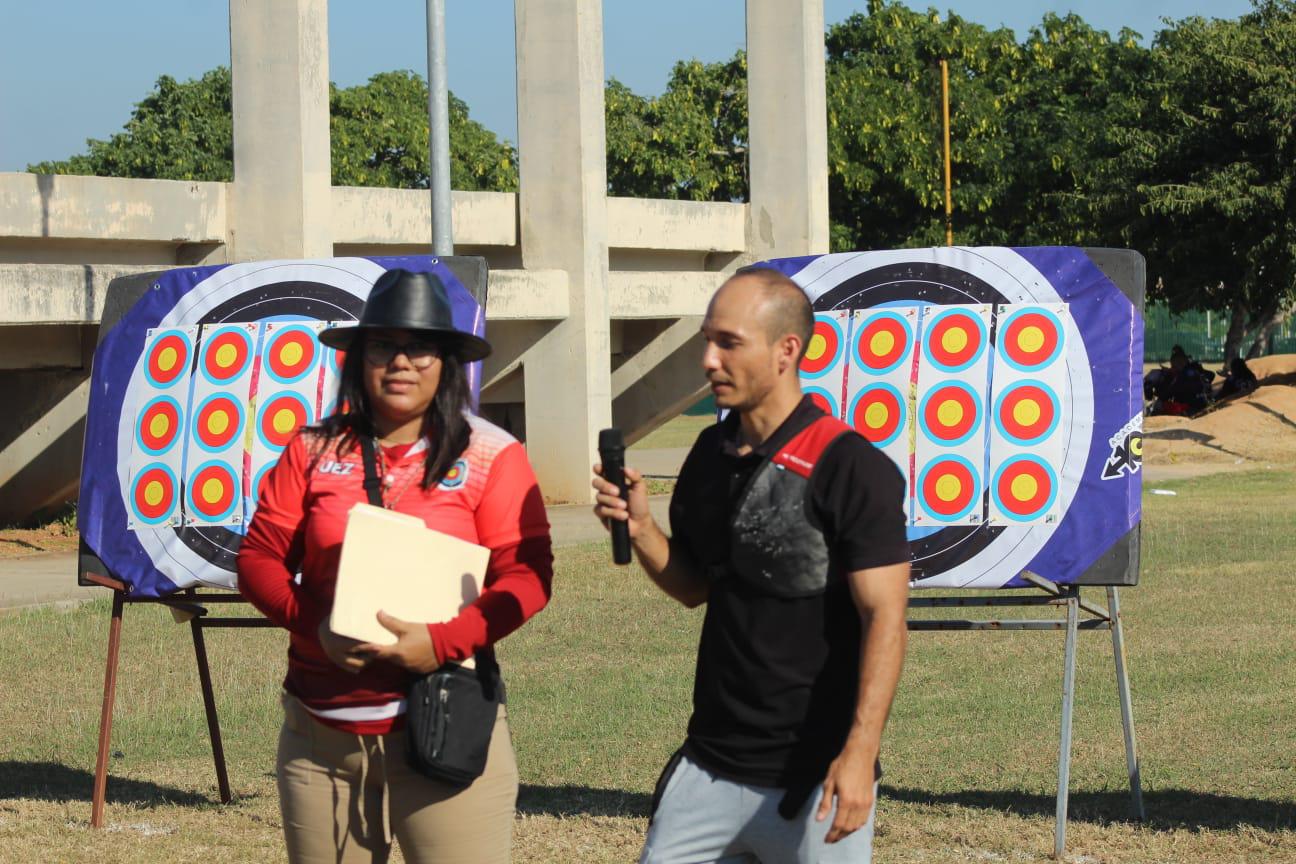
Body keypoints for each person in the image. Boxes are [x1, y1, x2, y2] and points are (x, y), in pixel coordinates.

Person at [592, 267, 911, 864]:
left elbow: (886, 618)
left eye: (729, 343)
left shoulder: (850, 466)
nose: (709, 359)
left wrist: (860, 754)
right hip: (708, 763)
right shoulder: (709, 454)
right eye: (707, 341)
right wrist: (640, 529)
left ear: (787, 350)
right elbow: (694, 587)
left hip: (814, 780)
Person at [238, 268, 553, 864]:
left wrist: (442, 642)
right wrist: (315, 626)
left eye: (421, 347)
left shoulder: (492, 454)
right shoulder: (310, 449)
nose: (401, 362)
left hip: (443, 728)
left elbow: (529, 573)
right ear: (358, 358)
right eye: (383, 345)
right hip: (320, 740)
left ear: (447, 363)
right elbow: (258, 557)